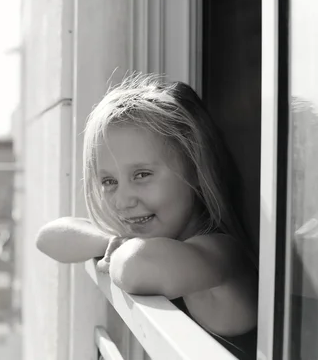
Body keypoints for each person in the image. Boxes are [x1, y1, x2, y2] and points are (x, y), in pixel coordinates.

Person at [36, 73, 258, 341]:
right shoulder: (158, 241)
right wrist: (112, 240)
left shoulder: (223, 251)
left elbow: (134, 267)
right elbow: (48, 237)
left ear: (196, 170)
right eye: (109, 181)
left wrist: (121, 246)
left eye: (141, 175)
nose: (122, 200)